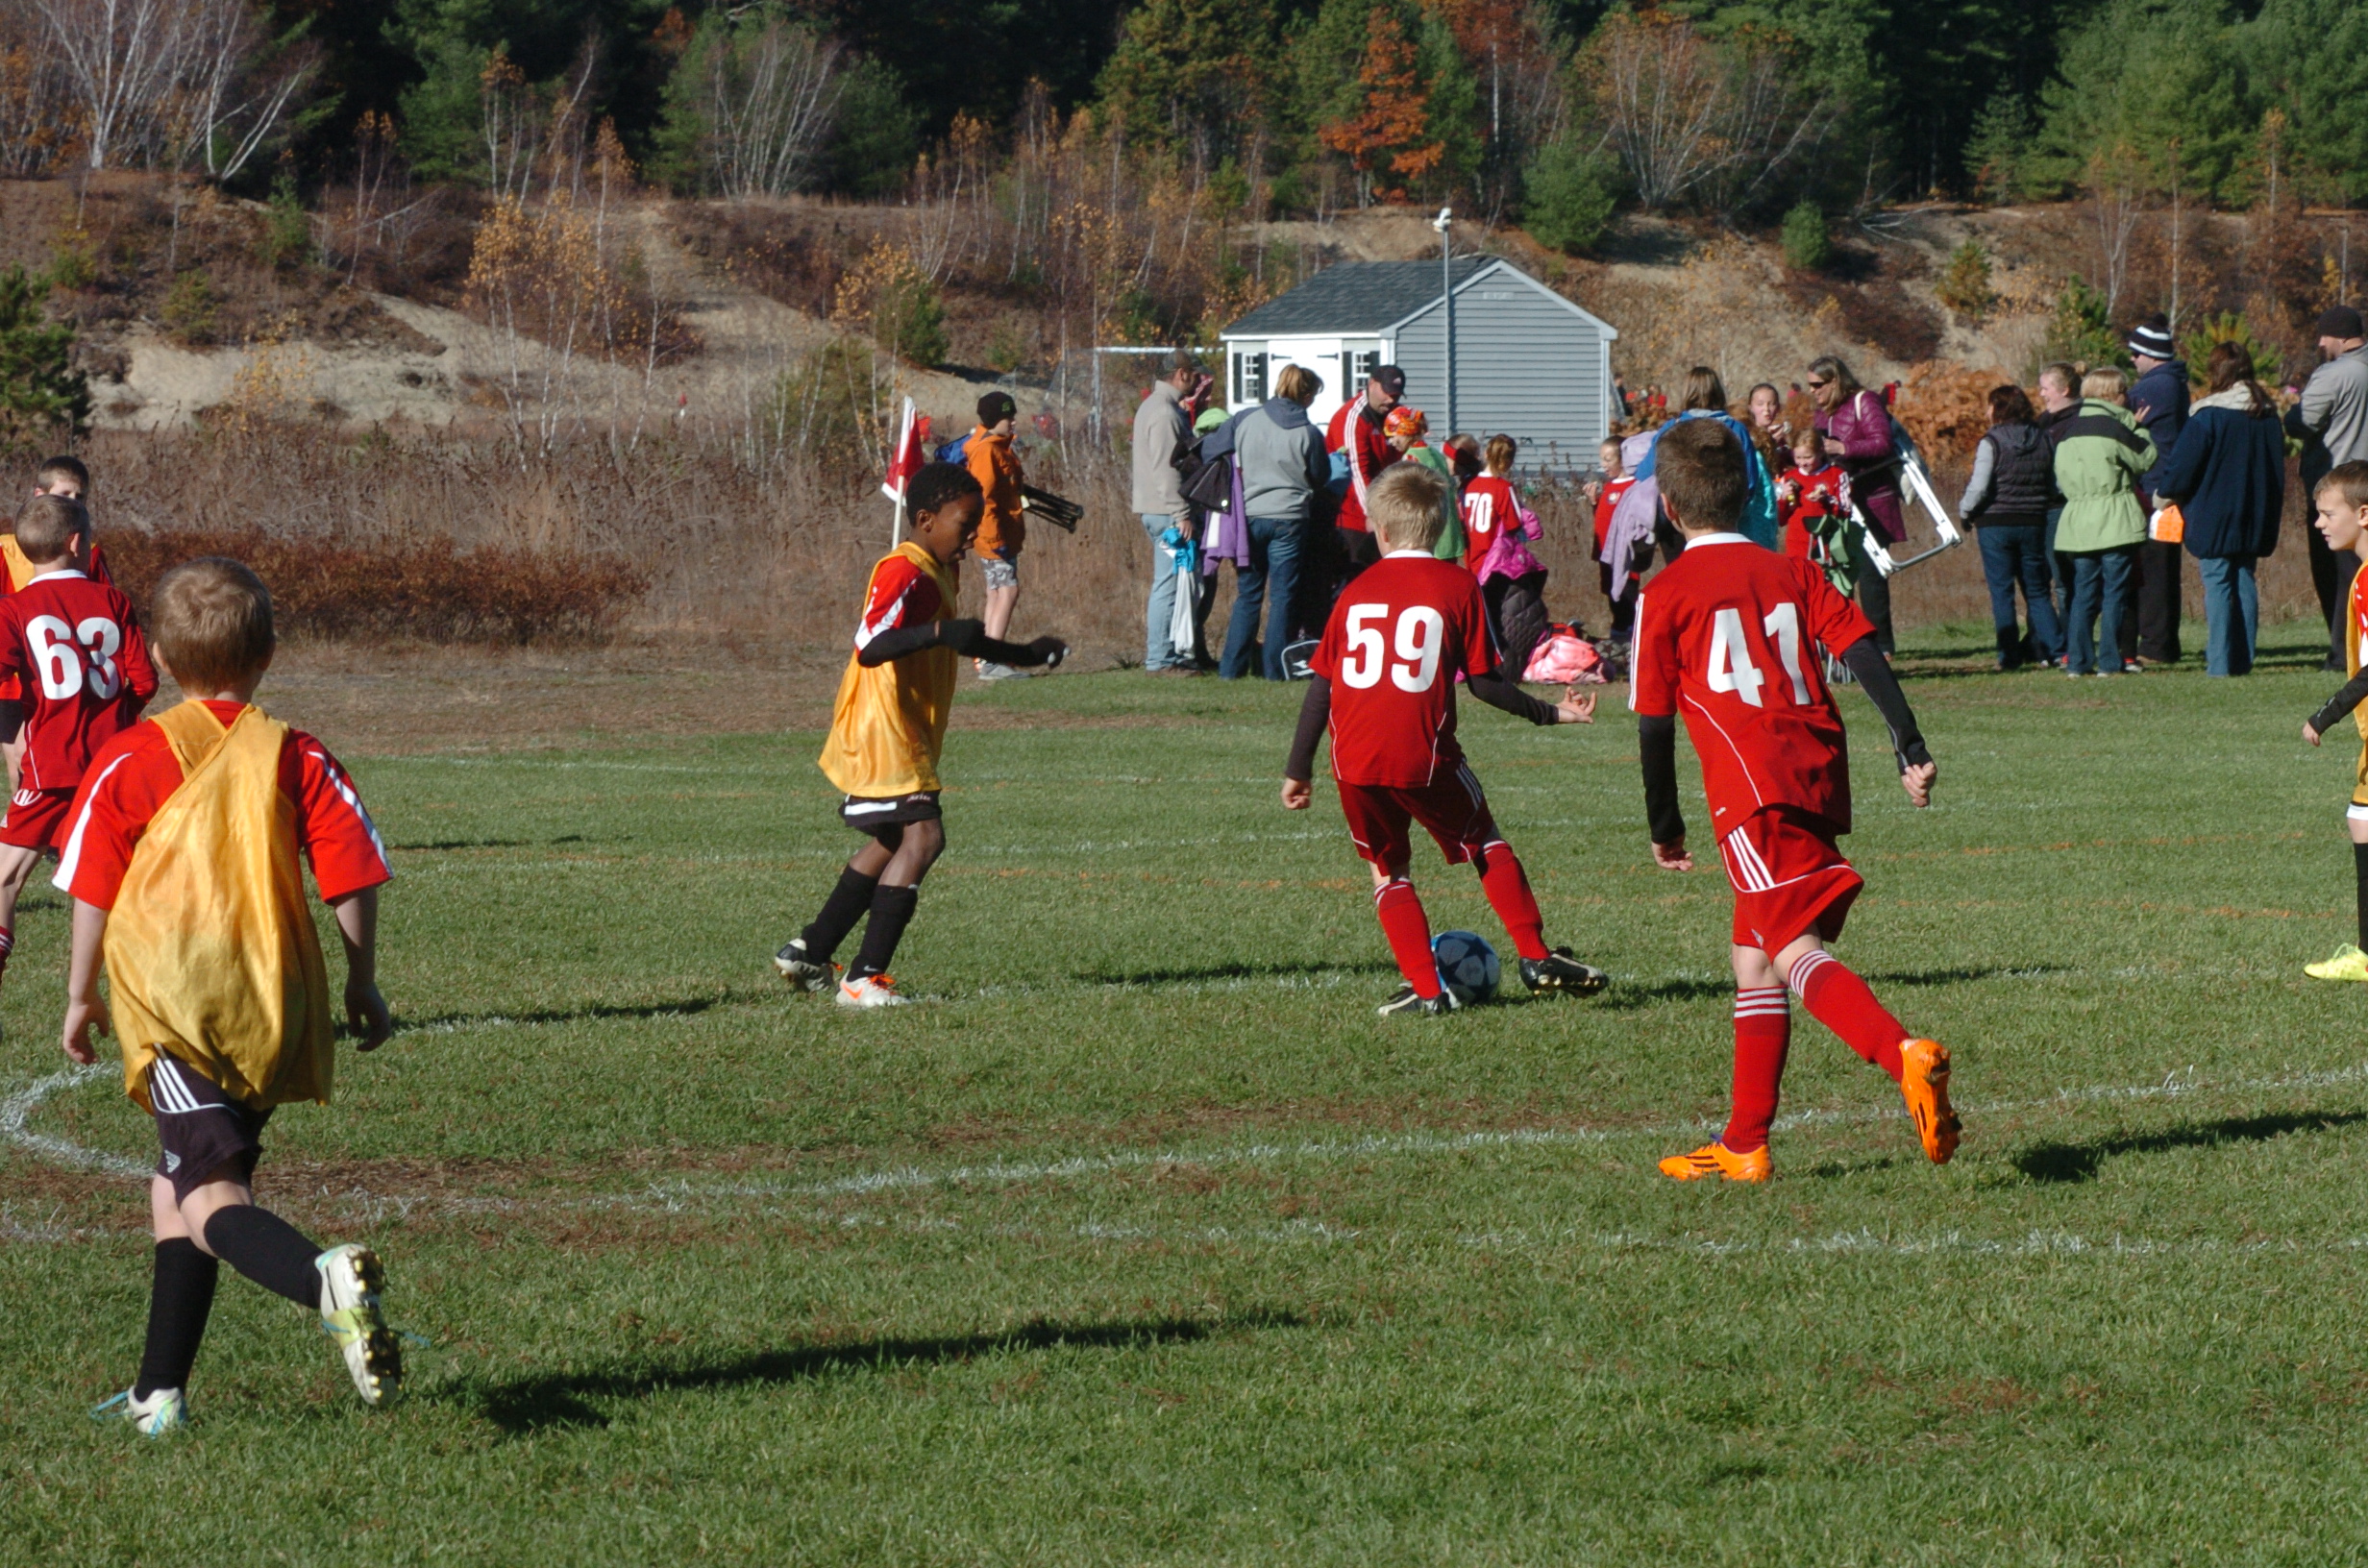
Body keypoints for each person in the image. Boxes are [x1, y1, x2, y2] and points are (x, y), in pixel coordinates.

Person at [62, 556, 398, 1434]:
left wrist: (80, 995)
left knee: (210, 1196)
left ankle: (322, 1282)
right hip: (270, 1003)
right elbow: (351, 874)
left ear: (160, 660)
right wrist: (360, 979)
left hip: (178, 1009)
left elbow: (92, 884)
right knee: (179, 1182)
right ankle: (157, 1395)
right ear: (269, 655)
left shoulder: (131, 754)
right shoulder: (299, 754)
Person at [1631, 418, 1957, 1183]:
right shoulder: (1792, 570)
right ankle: (1745, 1143)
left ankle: (1903, 1054)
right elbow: (1861, 648)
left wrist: (1665, 827)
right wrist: (1908, 742)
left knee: (1792, 950)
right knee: (1754, 962)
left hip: (1750, 793)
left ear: (1669, 508)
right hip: (1815, 774)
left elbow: (1653, 724)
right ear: (1749, 494)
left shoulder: (1665, 593)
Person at [1281, 463, 1608, 1016]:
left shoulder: (1354, 592)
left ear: (1381, 530)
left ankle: (1428, 992)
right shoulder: (1457, 585)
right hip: (1424, 755)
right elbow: (1484, 683)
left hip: (1352, 758)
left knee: (1388, 871)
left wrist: (1298, 768)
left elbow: (1322, 686)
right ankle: (1535, 956)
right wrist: (1552, 714)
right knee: (1485, 841)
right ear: (1439, 529)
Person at [777, 464, 1069, 1006]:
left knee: (893, 839)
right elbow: (872, 644)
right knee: (925, 837)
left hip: (901, 722)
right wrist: (937, 632)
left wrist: (1024, 654)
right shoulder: (902, 568)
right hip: (883, 725)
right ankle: (864, 979)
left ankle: (811, 950)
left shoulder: (939, 569)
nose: (973, 536)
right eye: (965, 524)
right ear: (927, 519)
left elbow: (956, 639)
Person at [0, 496, 156, 988]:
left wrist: (25, 723)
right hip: (113, 765)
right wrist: (113, 717)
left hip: (51, 765)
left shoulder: (14, 608)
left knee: (6, 878)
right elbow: (144, 681)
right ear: (75, 543)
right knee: (126, 878)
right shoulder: (114, 600)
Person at [2154, 342, 2285, 678]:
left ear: (2216, 372)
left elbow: (2183, 465)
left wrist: (2164, 495)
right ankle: (2241, 660)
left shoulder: (2209, 415)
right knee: (2244, 579)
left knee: (2217, 582)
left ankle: (2219, 664)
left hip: (2213, 511)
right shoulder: (2268, 415)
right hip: (2255, 511)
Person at [1220, 362, 1331, 680]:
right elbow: (1320, 476)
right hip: (1290, 518)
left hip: (1251, 515)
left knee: (1248, 593)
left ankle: (1231, 669)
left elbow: (1214, 449)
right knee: (1282, 596)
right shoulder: (1309, 432)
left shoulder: (1246, 420)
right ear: (1305, 395)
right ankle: (1274, 670)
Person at [2302, 462, 2368, 982]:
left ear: (2363, 514)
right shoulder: (2362, 576)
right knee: (2361, 820)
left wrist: (2327, 714)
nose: (2319, 523)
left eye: (2328, 513)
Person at [2051, 367, 2154, 677]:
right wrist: (2139, 429)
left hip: (2078, 521)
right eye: (2124, 392)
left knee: (2082, 594)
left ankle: (2077, 662)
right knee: (2115, 593)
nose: (2127, 397)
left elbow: (2059, 479)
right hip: (2116, 520)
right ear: (2112, 395)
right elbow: (2145, 458)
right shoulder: (2115, 428)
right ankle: (2109, 661)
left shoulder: (2068, 431)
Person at [1958, 384, 2062, 670]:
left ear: (1998, 409)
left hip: (1995, 523)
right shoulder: (2044, 438)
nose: (1987, 411)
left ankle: (2009, 656)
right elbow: (2054, 483)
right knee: (2037, 590)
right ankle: (2057, 650)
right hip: (2033, 521)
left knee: (2002, 592)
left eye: (1990, 405)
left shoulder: (1991, 441)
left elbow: (1979, 487)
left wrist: (1965, 511)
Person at [2288, 306, 2368, 671]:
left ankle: (2341, 653)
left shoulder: (2334, 374)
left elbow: (2301, 423)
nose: (2321, 342)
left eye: (2325, 335)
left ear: (2341, 336)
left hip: (2338, 486)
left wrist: (2292, 408)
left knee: (2335, 574)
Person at [1808, 355, 1903, 653]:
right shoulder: (1821, 414)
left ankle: (1882, 646)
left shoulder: (1865, 401)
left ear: (1835, 381)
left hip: (1872, 501)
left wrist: (1843, 447)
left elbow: (1883, 443)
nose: (1813, 391)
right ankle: (1842, 642)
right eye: (1811, 385)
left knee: (1871, 576)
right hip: (1837, 505)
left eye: (1818, 384)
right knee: (1835, 574)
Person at [1131, 351, 1208, 674]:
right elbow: (1167, 469)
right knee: (1171, 583)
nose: (1197, 380)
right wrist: (1181, 514)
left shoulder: (1156, 406)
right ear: (1180, 374)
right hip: (1167, 514)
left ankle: (1171, 654)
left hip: (1159, 509)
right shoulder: (1164, 413)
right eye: (1194, 374)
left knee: (1176, 582)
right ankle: (1160, 658)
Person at [2126, 315, 2188, 665]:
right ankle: (2162, 642)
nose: (2132, 359)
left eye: (2136, 353)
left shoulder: (2154, 387)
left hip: (2155, 495)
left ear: (2150, 354)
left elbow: (2122, 423)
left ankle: (2155, 645)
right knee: (2162, 568)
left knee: (2153, 570)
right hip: (2167, 491)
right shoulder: (2174, 383)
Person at [1461, 434, 1550, 672]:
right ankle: (1498, 662)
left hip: (1472, 557)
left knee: (1479, 614)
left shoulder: (1468, 486)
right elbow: (1513, 523)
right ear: (1509, 461)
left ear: (1485, 453)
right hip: (1496, 562)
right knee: (1497, 615)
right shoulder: (1503, 488)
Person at [964, 391, 1028, 680]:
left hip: (1000, 536)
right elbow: (985, 501)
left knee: (996, 591)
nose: (1013, 421)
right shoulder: (987, 451)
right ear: (993, 420)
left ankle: (985, 655)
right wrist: (995, 540)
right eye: (1007, 417)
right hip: (995, 538)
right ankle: (991, 661)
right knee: (1008, 591)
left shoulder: (1000, 447)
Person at [1324, 364, 1403, 590]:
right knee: (1355, 581)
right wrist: (1373, 513)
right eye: (1386, 393)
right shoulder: (1352, 417)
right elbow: (1357, 472)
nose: (1391, 400)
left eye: (1396, 395)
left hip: (1384, 516)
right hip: (1353, 516)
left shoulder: (1395, 415)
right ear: (1371, 384)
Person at [2035, 361, 2084, 629]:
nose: (2041, 394)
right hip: (2041, 507)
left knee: (2063, 578)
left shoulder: (2077, 422)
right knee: (2038, 578)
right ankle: (2042, 636)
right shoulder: (2045, 421)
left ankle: (2067, 633)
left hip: (2061, 507)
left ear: (2064, 390)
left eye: (2046, 388)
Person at [1384, 406, 1463, 562]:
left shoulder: (1411, 459)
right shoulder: (1436, 454)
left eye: (1393, 436)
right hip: (1449, 532)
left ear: (1406, 431)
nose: (1391, 442)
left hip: (1429, 537)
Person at [1591, 436, 1640, 642]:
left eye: (1608, 459)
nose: (1604, 464)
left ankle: (1629, 629)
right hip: (1605, 551)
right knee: (1610, 591)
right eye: (1602, 459)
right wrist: (1594, 502)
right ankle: (1619, 627)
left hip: (1624, 553)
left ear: (1622, 459)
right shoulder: (1608, 487)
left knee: (1626, 591)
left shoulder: (1633, 486)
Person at [1746, 381, 1790, 453]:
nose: (1766, 409)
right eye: (1760, 404)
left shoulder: (1782, 436)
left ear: (1778, 407)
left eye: (1772, 404)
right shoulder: (1747, 436)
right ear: (1750, 407)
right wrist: (1771, 443)